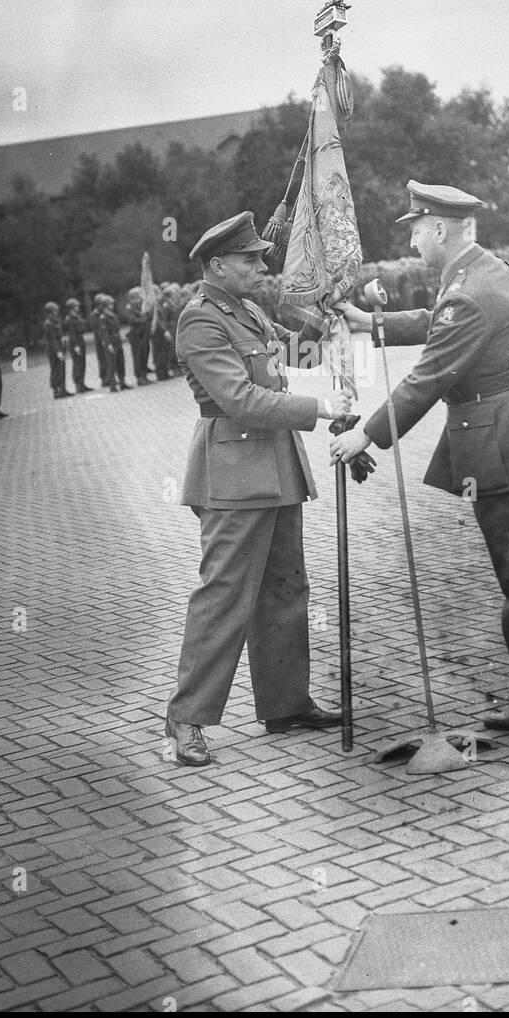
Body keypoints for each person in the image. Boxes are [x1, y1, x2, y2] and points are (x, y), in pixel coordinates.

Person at [332, 180, 509, 733]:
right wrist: (376, 324)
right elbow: (445, 322)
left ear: (439, 229)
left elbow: (430, 376)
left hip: (508, 449)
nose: (413, 242)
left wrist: (365, 435)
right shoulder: (491, 269)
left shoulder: (466, 291)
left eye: (416, 230)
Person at [165, 211, 346, 766]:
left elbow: (292, 354)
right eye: (249, 260)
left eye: (260, 258)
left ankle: (286, 702)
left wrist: (329, 321)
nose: (259, 267)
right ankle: (186, 723)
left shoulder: (245, 309)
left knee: (286, 589)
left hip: (275, 467)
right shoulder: (200, 321)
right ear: (217, 265)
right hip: (235, 473)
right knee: (223, 598)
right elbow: (240, 399)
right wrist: (318, 409)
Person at [62, 298, 91, 393]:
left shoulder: (76, 317)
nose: (78, 307)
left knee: (82, 363)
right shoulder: (70, 319)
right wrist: (76, 346)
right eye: (76, 306)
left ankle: (82, 384)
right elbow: (72, 333)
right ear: (72, 308)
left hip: (80, 340)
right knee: (77, 364)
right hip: (75, 343)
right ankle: (78, 385)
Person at [42, 302, 70, 400]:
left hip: (59, 348)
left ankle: (62, 389)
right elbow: (52, 339)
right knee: (55, 370)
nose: (56, 312)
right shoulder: (48, 324)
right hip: (53, 350)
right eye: (55, 310)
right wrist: (58, 351)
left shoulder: (55, 321)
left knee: (61, 369)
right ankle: (56, 391)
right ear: (50, 312)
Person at [126, 289, 151, 385]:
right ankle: (139, 377)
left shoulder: (141, 306)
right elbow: (132, 320)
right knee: (138, 356)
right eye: (138, 295)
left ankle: (144, 375)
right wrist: (143, 319)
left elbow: (147, 315)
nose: (140, 297)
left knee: (144, 355)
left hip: (143, 332)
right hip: (135, 334)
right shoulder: (130, 307)